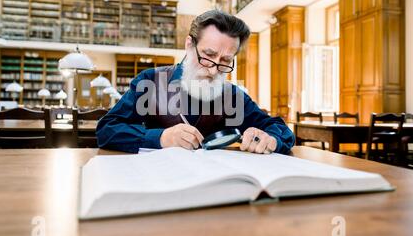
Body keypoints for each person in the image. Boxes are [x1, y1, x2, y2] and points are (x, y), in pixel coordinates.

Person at [96, 10, 295, 154]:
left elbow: (280, 129)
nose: (214, 69)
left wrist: (271, 139)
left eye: (225, 61)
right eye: (208, 55)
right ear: (189, 45)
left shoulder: (232, 96)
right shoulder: (150, 81)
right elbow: (107, 129)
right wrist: (160, 137)